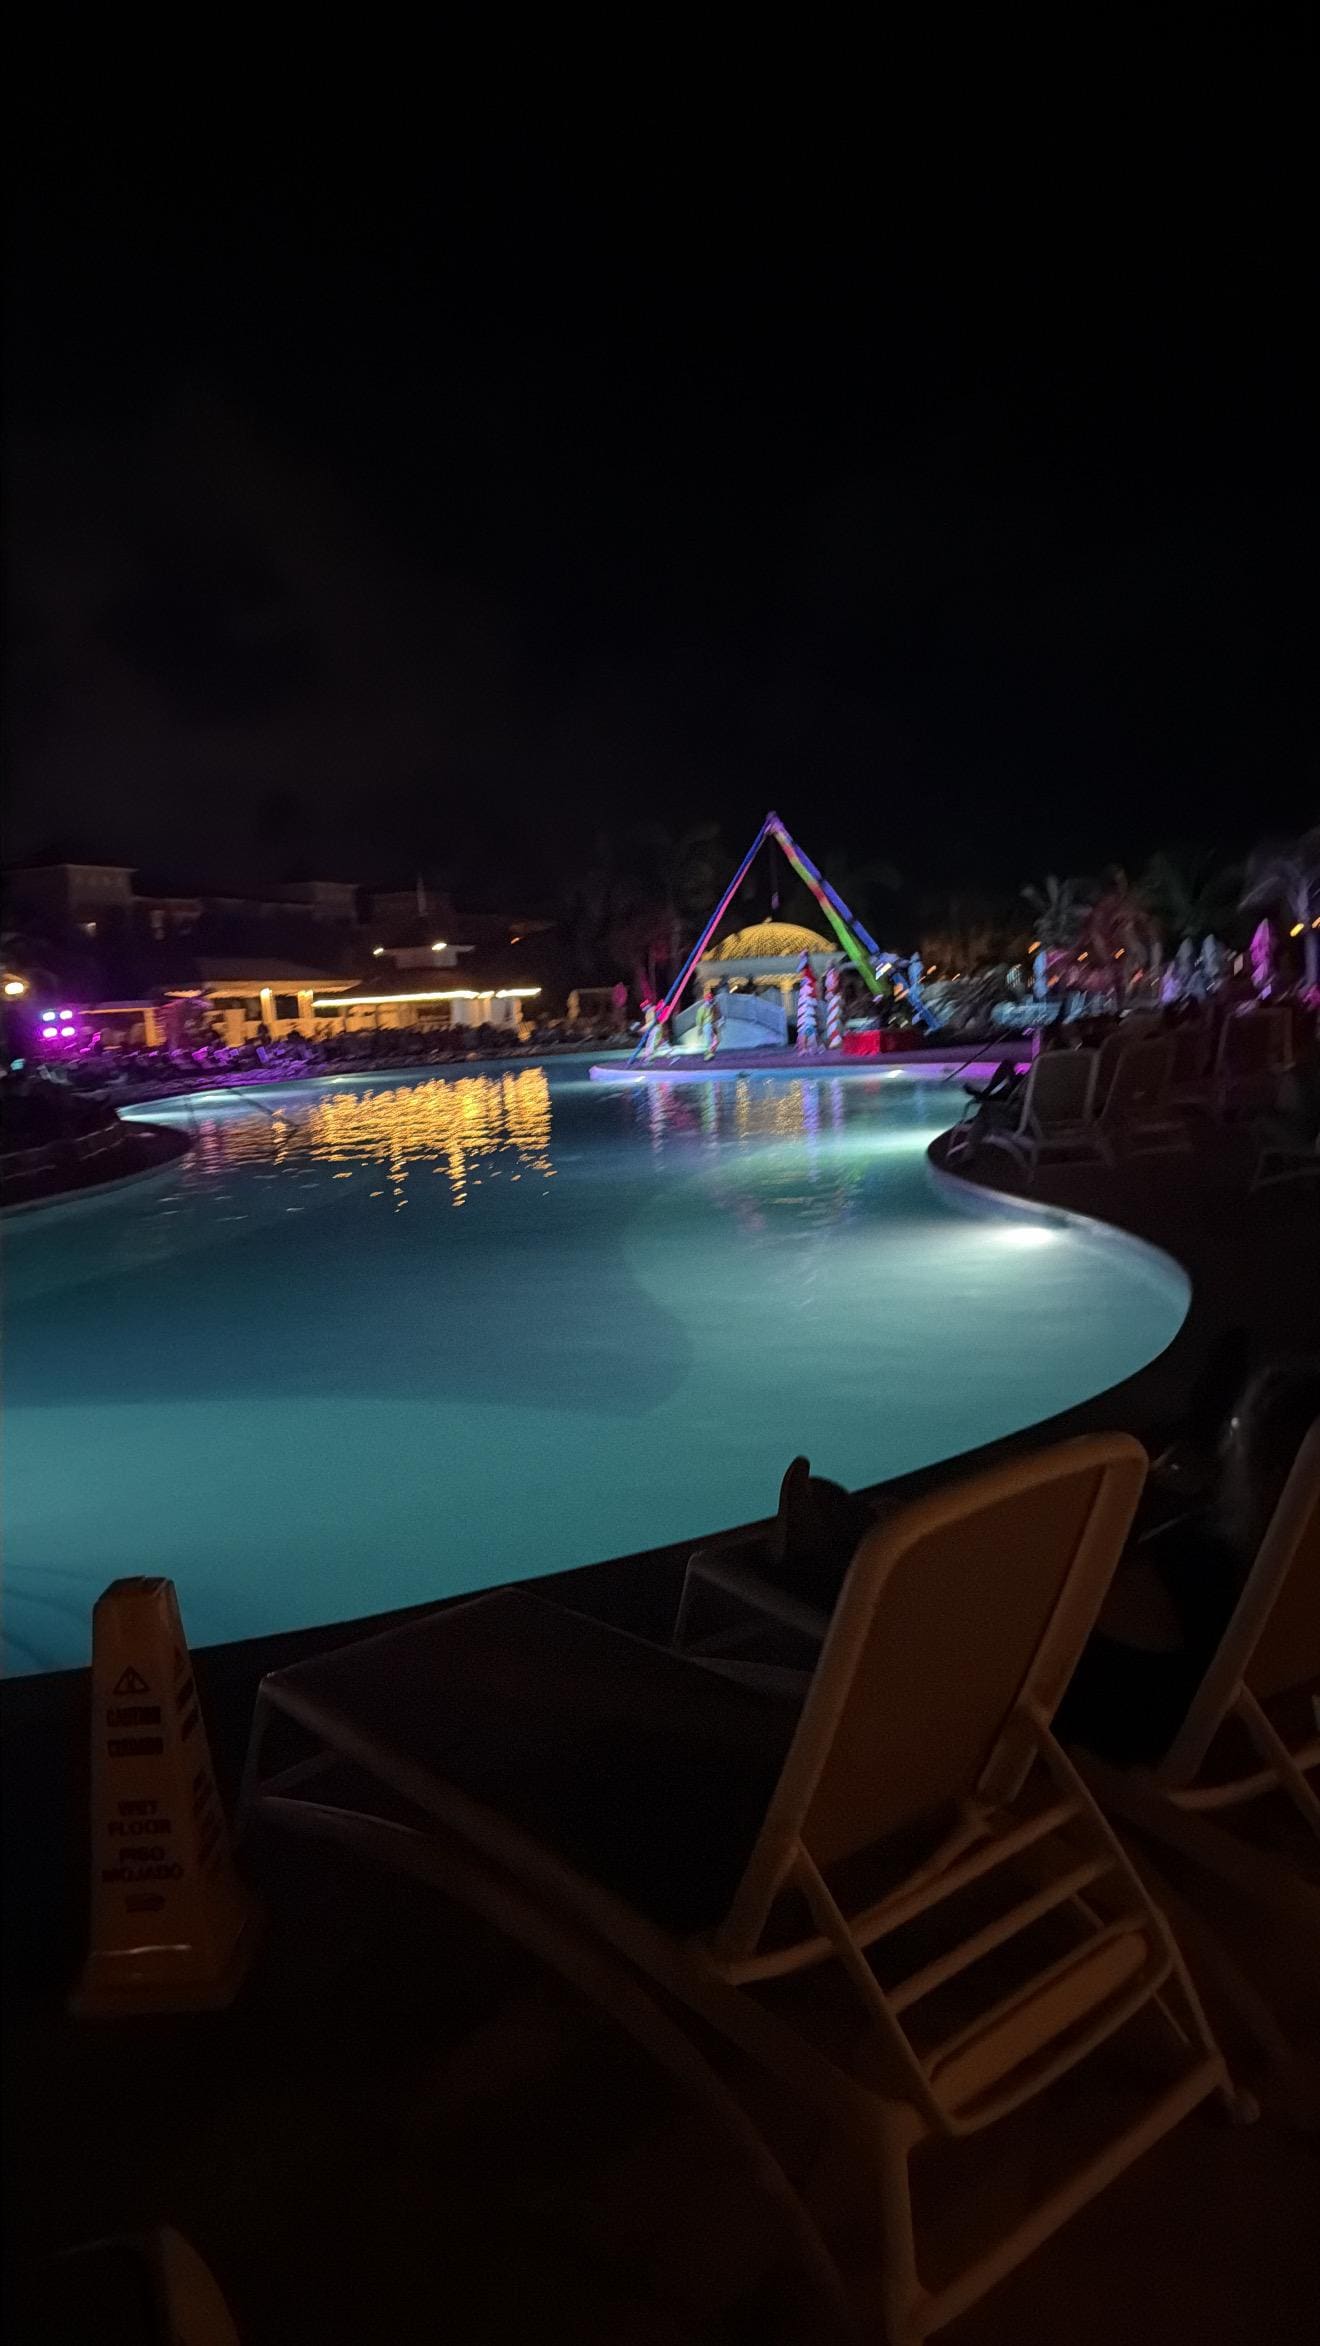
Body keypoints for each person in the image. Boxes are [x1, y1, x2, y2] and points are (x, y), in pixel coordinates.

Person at [1058, 1359, 1320, 1765]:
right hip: (1263, 1721)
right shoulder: (1295, 1568)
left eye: (1236, 1432)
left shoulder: (1198, 1563)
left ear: (1271, 1469)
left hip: (1143, 1731)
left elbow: (1084, 1650)